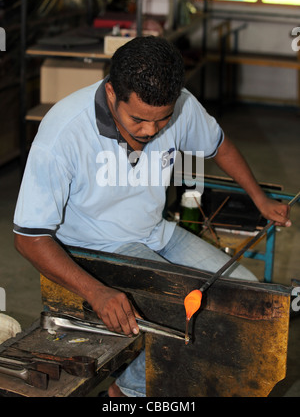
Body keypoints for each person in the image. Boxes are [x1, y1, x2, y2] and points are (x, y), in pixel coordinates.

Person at [13, 36, 291, 397]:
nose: (149, 131)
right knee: (185, 315)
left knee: (248, 296)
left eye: (162, 120)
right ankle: (125, 391)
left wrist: (260, 199)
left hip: (156, 232)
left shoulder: (183, 106)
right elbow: (28, 237)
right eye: (139, 119)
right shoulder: (64, 133)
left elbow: (219, 144)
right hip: (96, 247)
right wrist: (97, 292)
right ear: (112, 93)